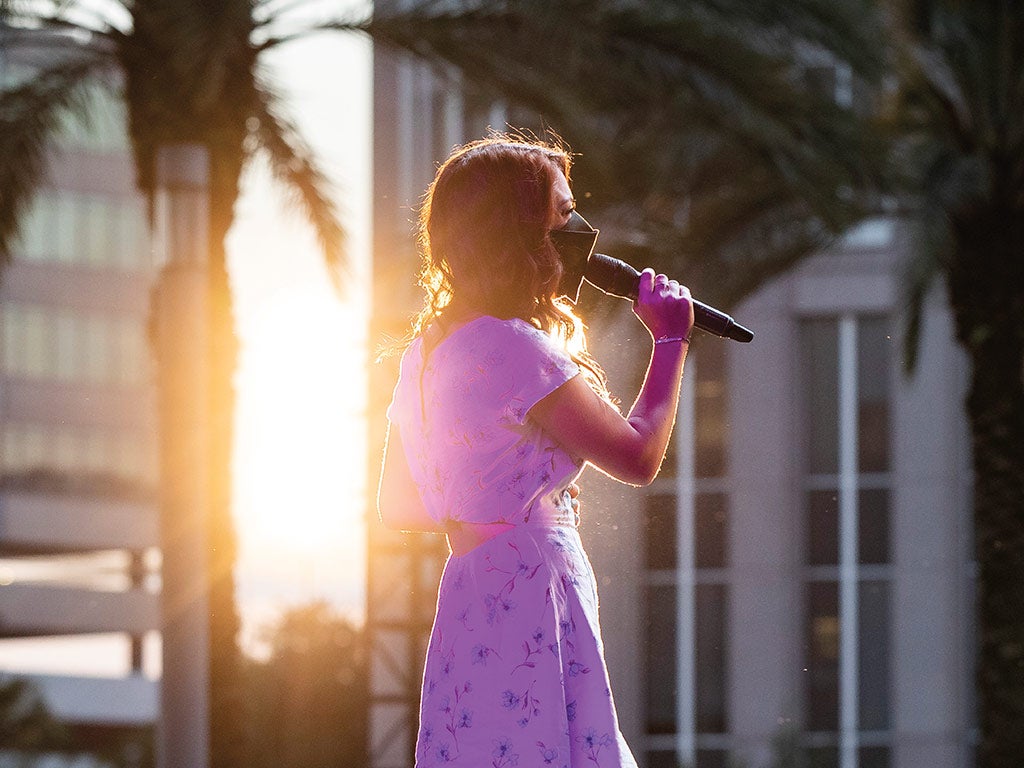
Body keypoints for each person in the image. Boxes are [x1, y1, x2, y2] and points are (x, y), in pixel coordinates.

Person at [377, 135, 694, 768]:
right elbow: (636, 457)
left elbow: (399, 502)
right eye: (561, 214)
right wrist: (670, 342)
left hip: (469, 594)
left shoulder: (424, 354)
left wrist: (499, 489)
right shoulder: (517, 349)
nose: (578, 230)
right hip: (532, 588)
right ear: (518, 230)